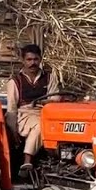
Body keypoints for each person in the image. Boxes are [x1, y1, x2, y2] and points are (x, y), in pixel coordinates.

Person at [6, 43, 60, 173]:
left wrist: (45, 101)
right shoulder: (15, 81)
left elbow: (56, 98)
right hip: (25, 113)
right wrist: (13, 131)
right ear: (23, 61)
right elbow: (12, 108)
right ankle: (27, 161)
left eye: (35, 59)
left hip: (48, 111)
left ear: (40, 59)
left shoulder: (49, 78)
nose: (32, 63)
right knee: (41, 125)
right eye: (29, 60)